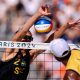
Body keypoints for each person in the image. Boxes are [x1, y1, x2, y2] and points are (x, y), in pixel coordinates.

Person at [0, 5, 79, 80]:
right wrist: (38, 14)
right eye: (24, 37)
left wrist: (65, 26)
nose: (25, 39)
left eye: (29, 38)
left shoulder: (30, 54)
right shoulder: (10, 51)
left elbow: (49, 42)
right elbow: (22, 32)